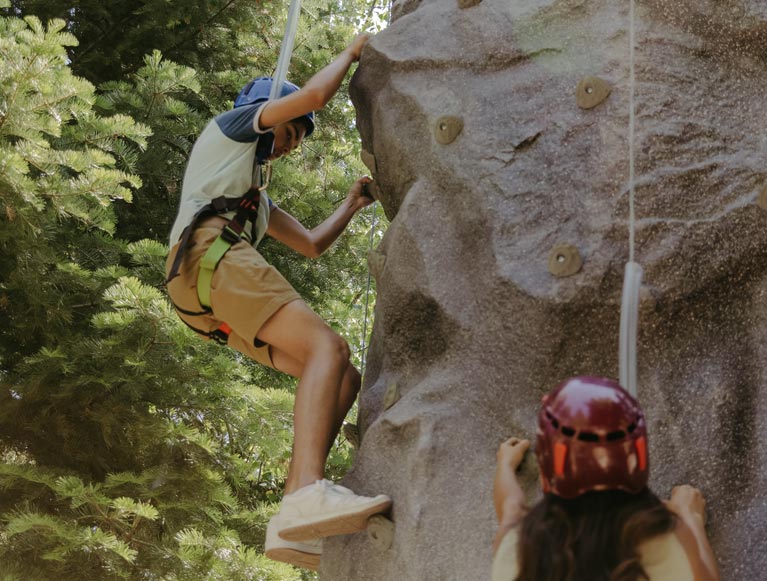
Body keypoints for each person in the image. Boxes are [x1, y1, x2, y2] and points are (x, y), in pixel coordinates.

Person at [165, 33, 391, 571]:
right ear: (265, 112)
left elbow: (311, 245)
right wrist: (351, 53)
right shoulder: (233, 126)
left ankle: (293, 521)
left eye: (297, 139)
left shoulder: (251, 197)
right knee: (326, 349)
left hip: (201, 292)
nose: (291, 143)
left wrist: (353, 203)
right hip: (209, 254)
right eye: (291, 132)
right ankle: (306, 493)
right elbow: (312, 96)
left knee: (344, 376)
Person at [492, 376, 720, 581]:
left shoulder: (515, 549)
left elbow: (509, 506)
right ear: (639, 458)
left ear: (548, 468)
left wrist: (505, 464)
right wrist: (690, 516)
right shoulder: (673, 540)